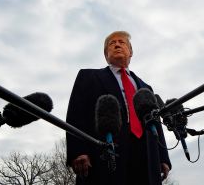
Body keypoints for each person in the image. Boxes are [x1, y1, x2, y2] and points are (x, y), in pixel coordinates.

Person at [66, 31, 171, 185]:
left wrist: (162, 157)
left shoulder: (146, 87)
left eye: (121, 42)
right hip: (105, 153)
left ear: (131, 52)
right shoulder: (88, 77)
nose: (116, 44)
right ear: (106, 54)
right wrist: (78, 151)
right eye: (111, 43)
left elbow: (155, 122)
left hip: (146, 156)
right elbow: (76, 114)